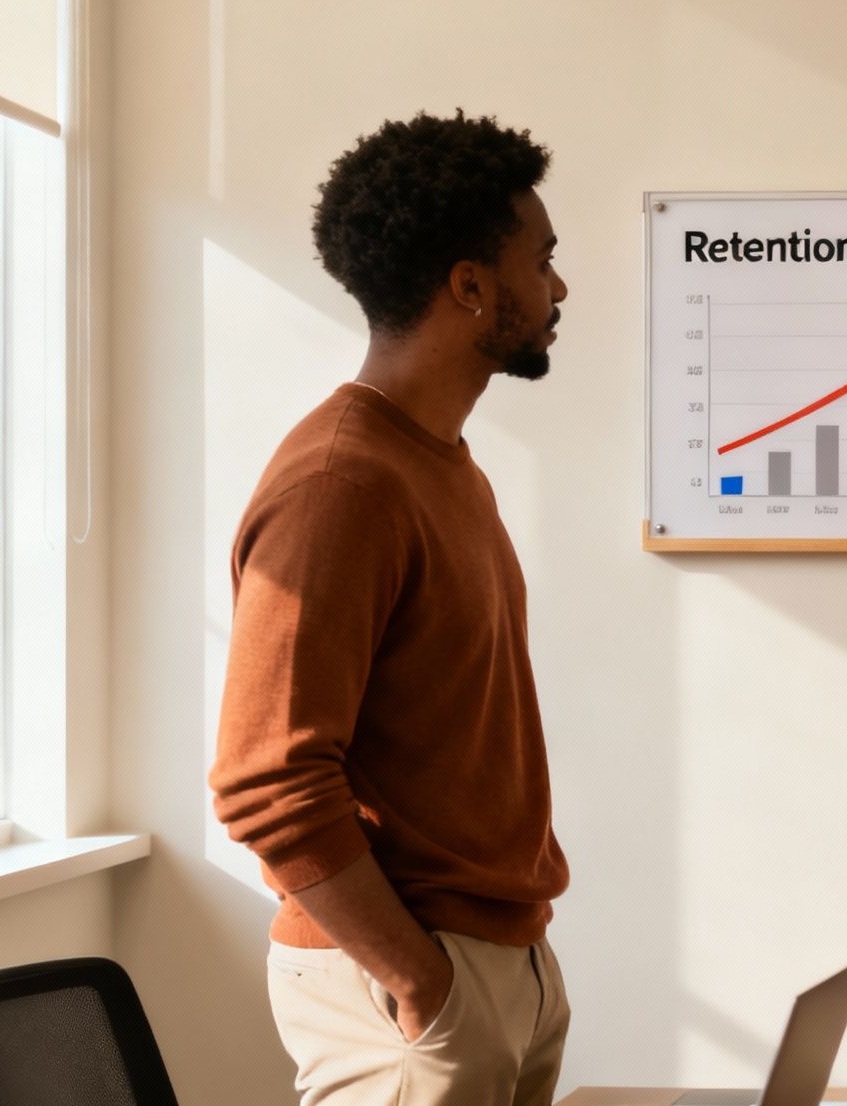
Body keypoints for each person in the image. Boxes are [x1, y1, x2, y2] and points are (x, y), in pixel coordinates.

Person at [209, 110, 573, 1106]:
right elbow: (264, 783)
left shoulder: (441, 467)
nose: (558, 288)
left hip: (500, 961)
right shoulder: (343, 485)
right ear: (468, 286)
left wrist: (512, 980)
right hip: (408, 988)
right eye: (541, 261)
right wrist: (420, 982)